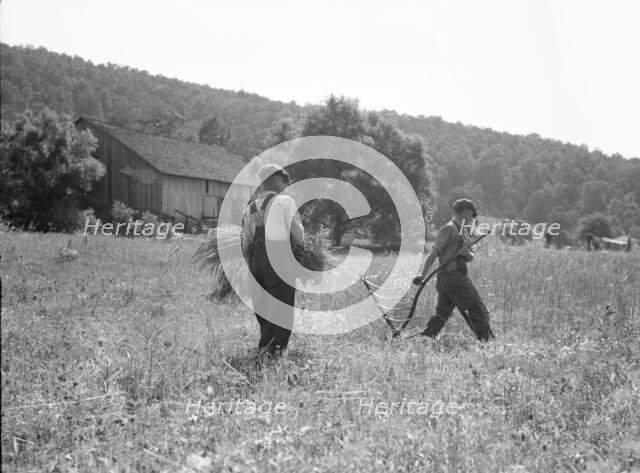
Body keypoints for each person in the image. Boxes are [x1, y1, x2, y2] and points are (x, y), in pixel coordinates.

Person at [241, 164, 304, 356]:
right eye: (285, 182)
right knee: (282, 308)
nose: (285, 187)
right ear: (276, 180)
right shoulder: (284, 201)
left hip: (256, 263)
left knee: (264, 308)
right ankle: (275, 353)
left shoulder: (250, 208)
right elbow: (298, 234)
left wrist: (252, 264)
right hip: (279, 261)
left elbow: (246, 242)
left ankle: (265, 349)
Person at [413, 199, 494, 341]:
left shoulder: (463, 230)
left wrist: (466, 253)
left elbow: (470, 257)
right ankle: (487, 342)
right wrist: (422, 274)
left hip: (447, 280)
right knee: (477, 309)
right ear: (466, 211)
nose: (472, 218)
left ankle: (425, 339)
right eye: (471, 214)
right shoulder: (449, 229)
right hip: (454, 278)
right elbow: (434, 253)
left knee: (441, 314)